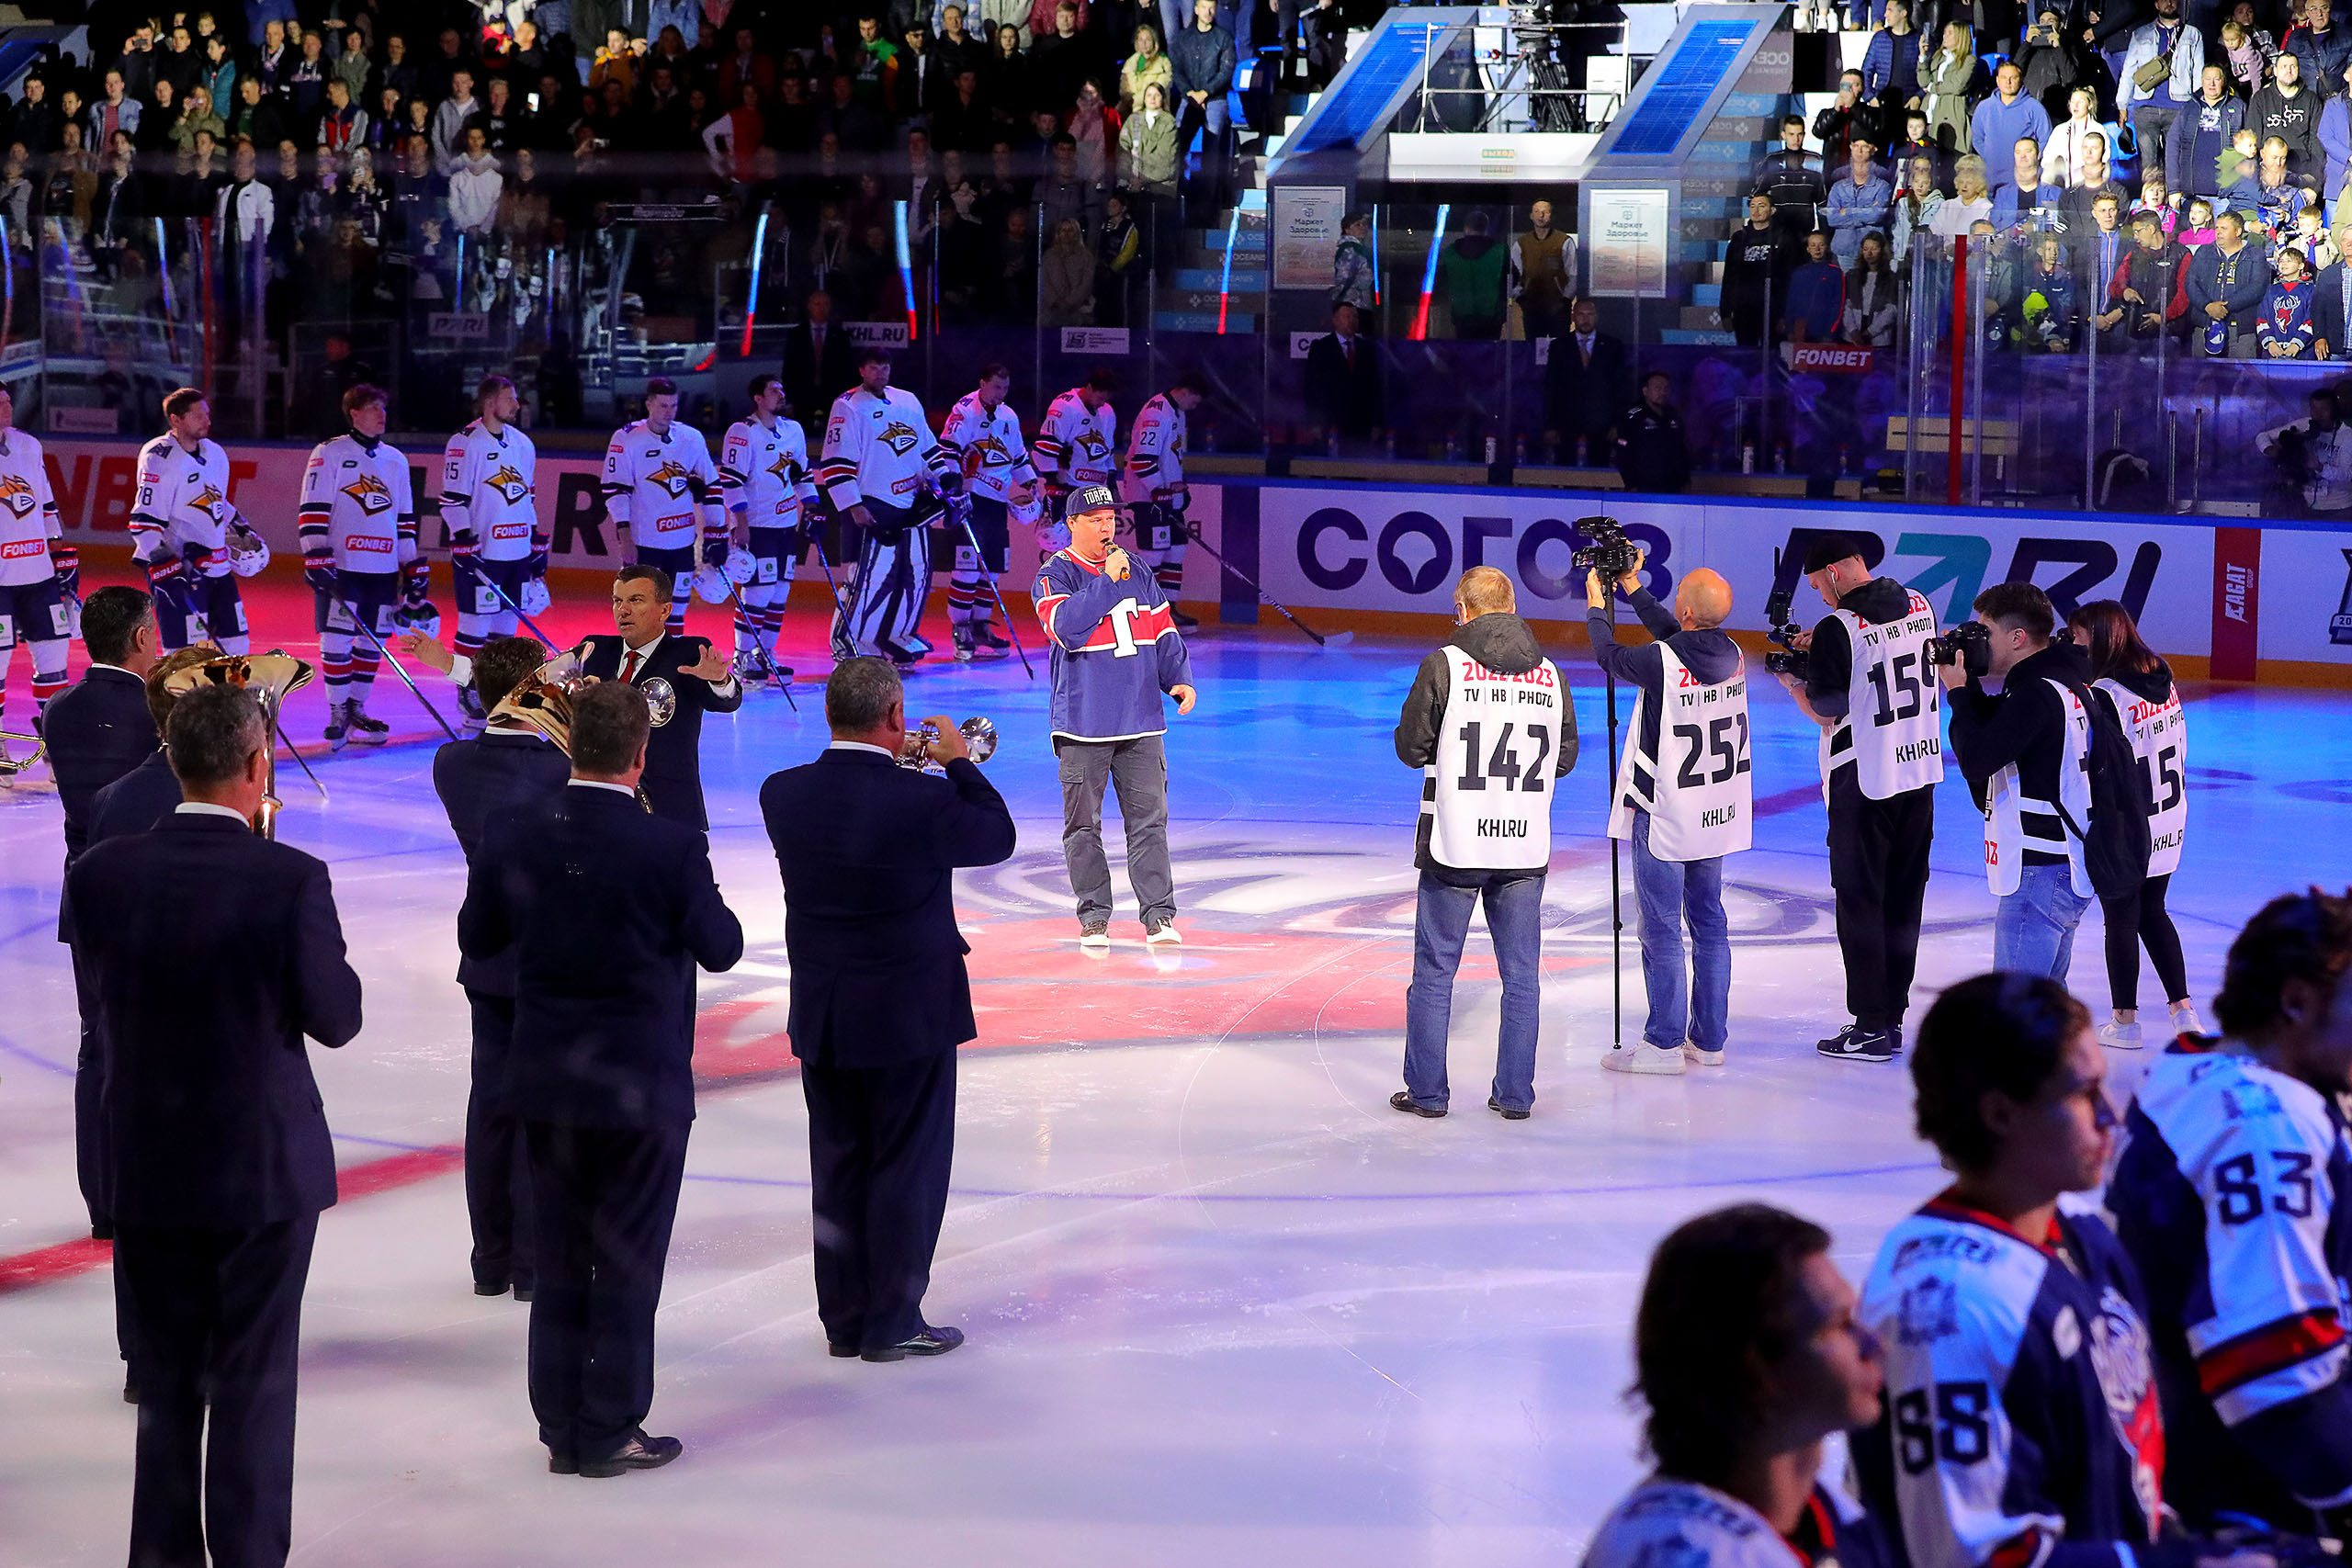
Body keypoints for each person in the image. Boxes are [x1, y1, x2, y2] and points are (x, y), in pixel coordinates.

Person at [68, 683, 364, 1566]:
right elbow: (336, 1016)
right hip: (259, 1167)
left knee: (166, 1387)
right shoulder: (289, 876)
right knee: (253, 1385)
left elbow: (102, 1004)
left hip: (151, 1158)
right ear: (255, 765)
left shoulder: (102, 871)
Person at [458, 681, 744, 1477]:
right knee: (624, 1257)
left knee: (557, 1253)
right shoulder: (671, 843)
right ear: (641, 752)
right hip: (638, 1087)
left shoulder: (513, 831)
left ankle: (561, 1426)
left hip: (547, 1076)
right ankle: (611, 1421)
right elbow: (721, 946)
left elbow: (480, 934)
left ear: (569, 742)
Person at [1856, 973, 2168, 1568]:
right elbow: (1973, 1555)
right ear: (2001, 1112)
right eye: (2084, 1094)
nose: (2112, 1117)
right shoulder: (1947, 1304)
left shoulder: (2085, 1238)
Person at [758, 659, 1016, 1359]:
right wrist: (956, 763)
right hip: (909, 1014)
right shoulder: (924, 802)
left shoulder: (781, 793)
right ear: (897, 715)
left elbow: (853, 800)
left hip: (827, 1010)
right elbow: (996, 834)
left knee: (838, 1161)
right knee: (907, 1162)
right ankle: (893, 1318)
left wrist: (901, 762)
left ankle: (845, 1318)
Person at [2108, 889, 2352, 1532]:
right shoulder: (2269, 1128)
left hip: (2184, 1461)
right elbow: (2278, 1382)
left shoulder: (2189, 1066)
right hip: (2256, 1499)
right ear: (2297, 1001)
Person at [1580, 1205, 1887, 1568]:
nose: (1873, 1345)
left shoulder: (1829, 1517)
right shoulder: (1681, 1551)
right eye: (1839, 1325)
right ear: (1755, 1366)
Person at [1388, 567, 1576, 1117]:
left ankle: (1427, 1094)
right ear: (1511, 606)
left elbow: (1410, 747)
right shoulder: (1549, 672)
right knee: (1521, 977)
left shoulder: (1444, 665)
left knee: (1434, 972)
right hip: (1523, 849)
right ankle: (1515, 1095)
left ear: (1463, 609)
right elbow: (1564, 758)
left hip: (1456, 842)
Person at [432, 635, 571, 1303]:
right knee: (545, 1110)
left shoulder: (452, 763)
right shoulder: (558, 770)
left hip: (486, 954)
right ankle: (532, 1260)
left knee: (490, 1105)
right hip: (551, 958)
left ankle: (491, 1256)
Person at [1774, 533, 1944, 1064]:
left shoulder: (1838, 627)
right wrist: (1821, 646)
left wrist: (1791, 683)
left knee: (1860, 901)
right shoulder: (1920, 604)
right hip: (1918, 770)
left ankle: (1869, 1025)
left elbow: (1826, 711)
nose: (1821, 598)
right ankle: (1890, 1015)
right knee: (1903, 898)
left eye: (1819, 585)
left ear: (1835, 572)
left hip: (1864, 776)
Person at [1589, 552, 1743, 1076]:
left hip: (1666, 810)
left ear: (1688, 609)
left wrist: (1597, 606)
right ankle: (1710, 1039)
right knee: (1709, 922)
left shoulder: (1663, 662)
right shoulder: (1733, 653)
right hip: (1714, 810)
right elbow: (1675, 639)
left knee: (1660, 927)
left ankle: (1662, 1044)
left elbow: (1610, 656)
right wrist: (1633, 588)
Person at [44, 584, 162, 1241]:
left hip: (82, 895)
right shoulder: (157, 712)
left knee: (97, 1047)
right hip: (148, 897)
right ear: (142, 638)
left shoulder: (58, 708)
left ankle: (103, 1202)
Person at [1033, 484, 1199, 947]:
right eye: (1095, 519)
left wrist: (1178, 678)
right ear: (1071, 524)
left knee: (1150, 822)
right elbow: (1066, 628)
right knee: (1083, 827)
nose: (1107, 526)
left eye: (1110, 518)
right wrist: (1108, 581)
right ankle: (1094, 917)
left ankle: (1159, 916)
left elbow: (1163, 628)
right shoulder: (1054, 575)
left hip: (1142, 719)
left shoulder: (1137, 568)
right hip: (1084, 724)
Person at [1940, 581, 2096, 981]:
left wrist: (1957, 692)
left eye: (1985, 631)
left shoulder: (2036, 693)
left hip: (2039, 869)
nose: (1978, 640)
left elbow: (1978, 759)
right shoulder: (2061, 677)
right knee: (2045, 1002)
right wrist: (1969, 683)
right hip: (2066, 862)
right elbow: (2001, 730)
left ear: (2017, 637)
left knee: (2014, 1008)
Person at [2066, 601, 2199, 1046]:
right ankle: (2183, 1011)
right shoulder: (2161, 672)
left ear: (2101, 638)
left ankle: (2124, 1022)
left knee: (2121, 917)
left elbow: (2098, 765)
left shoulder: (2105, 693)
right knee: (2154, 910)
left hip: (2130, 820)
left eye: (2079, 636)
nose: (2074, 644)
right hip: (2170, 814)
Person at [568, 566, 743, 833]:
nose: (622, 610)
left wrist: (720, 681)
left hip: (668, 807)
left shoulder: (687, 653)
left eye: (635, 600)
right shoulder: (593, 650)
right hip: (598, 805)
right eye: (618, 600)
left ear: (664, 610)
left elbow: (725, 702)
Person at [818, 349, 961, 665]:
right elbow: (835, 462)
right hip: (873, 505)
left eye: (884, 366)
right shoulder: (848, 406)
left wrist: (946, 477)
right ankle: (850, 639)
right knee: (867, 578)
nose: (880, 372)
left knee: (915, 574)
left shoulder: (907, 401)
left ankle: (897, 634)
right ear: (862, 370)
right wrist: (852, 504)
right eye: (873, 367)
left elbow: (926, 446)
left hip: (913, 506)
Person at [298, 383, 414, 750]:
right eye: (373, 409)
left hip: (381, 569)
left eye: (384, 409)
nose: (382, 415)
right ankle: (337, 710)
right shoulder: (329, 453)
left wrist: (411, 565)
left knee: (373, 640)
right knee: (336, 639)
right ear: (354, 413)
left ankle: (357, 708)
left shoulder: (396, 460)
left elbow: (405, 519)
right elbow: (312, 507)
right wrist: (315, 553)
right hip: (342, 567)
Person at [441, 373, 544, 728]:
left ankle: (497, 693)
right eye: (509, 398)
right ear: (489, 403)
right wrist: (463, 537)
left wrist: (535, 542)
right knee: (473, 627)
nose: (516, 405)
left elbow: (527, 498)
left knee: (505, 632)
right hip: (482, 555)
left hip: (515, 555)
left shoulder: (523, 444)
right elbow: (451, 501)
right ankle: (466, 690)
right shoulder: (464, 442)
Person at [131, 387, 266, 656]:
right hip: (183, 568)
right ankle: (176, 700)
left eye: (206, 413)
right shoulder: (159, 456)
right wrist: (167, 567)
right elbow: (143, 522)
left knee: (237, 646)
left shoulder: (215, 453)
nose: (207, 420)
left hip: (219, 567)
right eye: (197, 415)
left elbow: (214, 500)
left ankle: (225, 699)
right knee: (185, 654)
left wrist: (238, 523)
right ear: (175, 419)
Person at [601, 377, 724, 639]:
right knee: (641, 611)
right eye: (663, 405)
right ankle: (635, 669)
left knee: (676, 609)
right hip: (644, 542)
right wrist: (624, 536)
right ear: (648, 404)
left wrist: (717, 530)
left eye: (673, 406)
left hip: (681, 543)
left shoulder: (691, 438)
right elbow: (615, 490)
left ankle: (671, 666)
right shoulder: (626, 438)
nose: (668, 412)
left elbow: (712, 485)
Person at [718, 374, 820, 683]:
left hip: (786, 526)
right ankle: (743, 655)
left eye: (782, 388)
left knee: (779, 592)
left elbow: (801, 475)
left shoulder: (794, 430)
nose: (781, 393)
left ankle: (766, 652)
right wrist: (742, 522)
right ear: (758, 398)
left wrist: (812, 508)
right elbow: (731, 481)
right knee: (758, 592)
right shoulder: (742, 432)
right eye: (773, 390)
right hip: (758, 525)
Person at [939, 364, 1039, 661]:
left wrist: (1030, 480)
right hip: (971, 500)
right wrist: (956, 486)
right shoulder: (964, 411)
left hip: (996, 501)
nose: (1000, 394)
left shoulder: (1009, 416)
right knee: (967, 568)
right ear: (982, 383)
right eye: (996, 387)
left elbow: (1018, 456)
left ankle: (981, 625)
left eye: (1005, 389)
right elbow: (947, 450)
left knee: (992, 568)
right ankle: (961, 628)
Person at [0, 384, 67, 732]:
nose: (7, 407)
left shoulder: (28, 445)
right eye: (0, 403)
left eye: (8, 400)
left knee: (55, 656)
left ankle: (54, 740)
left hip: (38, 575)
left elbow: (45, 502)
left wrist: (58, 548)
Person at [1121, 371, 1206, 627]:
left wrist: (1178, 493)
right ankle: (1141, 615)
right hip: (1150, 499)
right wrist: (1159, 490)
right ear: (1186, 391)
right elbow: (1142, 460)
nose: (1195, 406)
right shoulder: (1157, 412)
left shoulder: (1177, 413)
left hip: (1167, 500)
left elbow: (1171, 458)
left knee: (1176, 550)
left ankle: (1168, 611)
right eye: (1195, 399)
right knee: (1153, 554)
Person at [2118, 0, 2203, 183]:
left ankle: (2174, 205)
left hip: (2179, 106)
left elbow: (2198, 72)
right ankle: (2150, 206)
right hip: (2145, 106)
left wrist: (2197, 106)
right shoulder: (2141, 34)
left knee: (2177, 161)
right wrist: (2122, 104)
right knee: (2149, 164)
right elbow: (2128, 71)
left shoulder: (2192, 34)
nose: (2169, 3)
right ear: (2156, 4)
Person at [1545, 296, 1629, 465]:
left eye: (1590, 314)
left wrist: (1617, 423)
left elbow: (1620, 388)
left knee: (1600, 471)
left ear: (1596, 317)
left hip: (1601, 425)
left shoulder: (1613, 346)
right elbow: (1551, 387)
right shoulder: (1559, 346)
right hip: (1567, 424)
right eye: (1581, 314)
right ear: (1573, 317)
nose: (1585, 319)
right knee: (1565, 472)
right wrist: (1550, 425)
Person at [1035, 367, 1120, 517]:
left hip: (1097, 492)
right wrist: (1054, 482)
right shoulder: (1065, 406)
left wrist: (1113, 488)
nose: (1102, 404)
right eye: (1100, 398)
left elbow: (1109, 456)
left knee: (1096, 540)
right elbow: (1042, 452)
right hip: (1069, 490)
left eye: (1106, 399)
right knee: (1056, 538)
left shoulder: (1108, 412)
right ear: (1089, 388)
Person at [2188, 210, 2268, 358]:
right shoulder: (2204, 252)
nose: (2218, 232)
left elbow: (2257, 288)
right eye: (2217, 228)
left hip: (2240, 328)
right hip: (2204, 323)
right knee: (2201, 378)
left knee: (2241, 378)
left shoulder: (2255, 255)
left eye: (2224, 228)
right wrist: (2207, 306)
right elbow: (2191, 283)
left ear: (2238, 231)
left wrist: (2224, 307)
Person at [2259, 388, 2352, 514]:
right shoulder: (2304, 425)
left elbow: (2347, 475)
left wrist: (2319, 467)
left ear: (2334, 410)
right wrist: (2272, 451)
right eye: (2314, 409)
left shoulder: (2348, 436)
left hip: (2339, 508)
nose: (2318, 414)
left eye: (2324, 409)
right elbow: (2262, 437)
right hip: (2304, 505)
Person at [1304, 301, 1382, 442]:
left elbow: (1375, 387)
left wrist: (1377, 423)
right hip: (1331, 421)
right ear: (1335, 320)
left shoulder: (1367, 349)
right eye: (1347, 316)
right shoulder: (1321, 348)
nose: (1352, 321)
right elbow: (1312, 387)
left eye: (1355, 317)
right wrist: (1314, 423)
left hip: (1361, 422)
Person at [782, 290, 856, 426]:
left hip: (833, 393)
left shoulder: (840, 335)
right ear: (809, 306)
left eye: (825, 304)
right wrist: (789, 399)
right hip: (803, 393)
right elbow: (789, 368)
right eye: (817, 304)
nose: (821, 308)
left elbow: (848, 369)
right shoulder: (796, 334)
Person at [1723, 194, 1787, 346]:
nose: (1756, 210)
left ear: (1772, 210)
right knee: (1745, 357)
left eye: (1761, 206)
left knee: (1773, 356)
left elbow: (1787, 277)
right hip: (1744, 310)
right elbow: (1729, 277)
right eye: (1752, 206)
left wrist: (1785, 315)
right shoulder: (1739, 238)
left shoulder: (1782, 237)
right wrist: (1725, 312)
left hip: (1773, 310)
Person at [1754, 115, 1827, 244]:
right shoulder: (1771, 160)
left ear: (1804, 135)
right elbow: (1757, 195)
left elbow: (1822, 203)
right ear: (1783, 135)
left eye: (1799, 134)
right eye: (1791, 134)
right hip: (1777, 232)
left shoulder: (1815, 160)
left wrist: (1824, 234)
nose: (1796, 139)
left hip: (1805, 233)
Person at [1615, 372, 1690, 494]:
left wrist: (1686, 480)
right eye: (1657, 388)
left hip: (1673, 487)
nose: (1662, 392)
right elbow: (1623, 453)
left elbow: (1682, 450)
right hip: (1643, 486)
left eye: (1665, 388)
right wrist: (1631, 483)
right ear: (1645, 391)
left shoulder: (1674, 415)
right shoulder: (1634, 416)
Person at [1971, 60, 2054, 167]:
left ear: (2021, 80)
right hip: (1992, 175)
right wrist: (1990, 158)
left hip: (2025, 175)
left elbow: (2046, 138)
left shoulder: (2034, 107)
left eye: (2013, 78)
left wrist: (2030, 160)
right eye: (2004, 77)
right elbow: (1977, 139)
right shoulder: (1984, 107)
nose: (2008, 82)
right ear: (1997, 80)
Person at [1826, 139, 1894, 268]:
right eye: (1856, 146)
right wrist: (1865, 212)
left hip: (1872, 252)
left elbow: (1876, 216)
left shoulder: (1882, 186)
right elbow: (1832, 218)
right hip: (1844, 250)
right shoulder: (1838, 187)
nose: (1860, 167)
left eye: (1864, 165)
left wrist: (1847, 211)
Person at [1512, 199, 1573, 339]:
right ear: (1531, 216)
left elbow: (1573, 273)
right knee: (1533, 350)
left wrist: (1566, 299)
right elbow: (1515, 274)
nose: (1541, 216)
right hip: (1531, 308)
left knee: (1559, 348)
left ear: (1552, 215)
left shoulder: (1564, 241)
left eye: (1545, 212)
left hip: (1558, 309)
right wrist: (1520, 298)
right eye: (1537, 212)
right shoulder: (1521, 244)